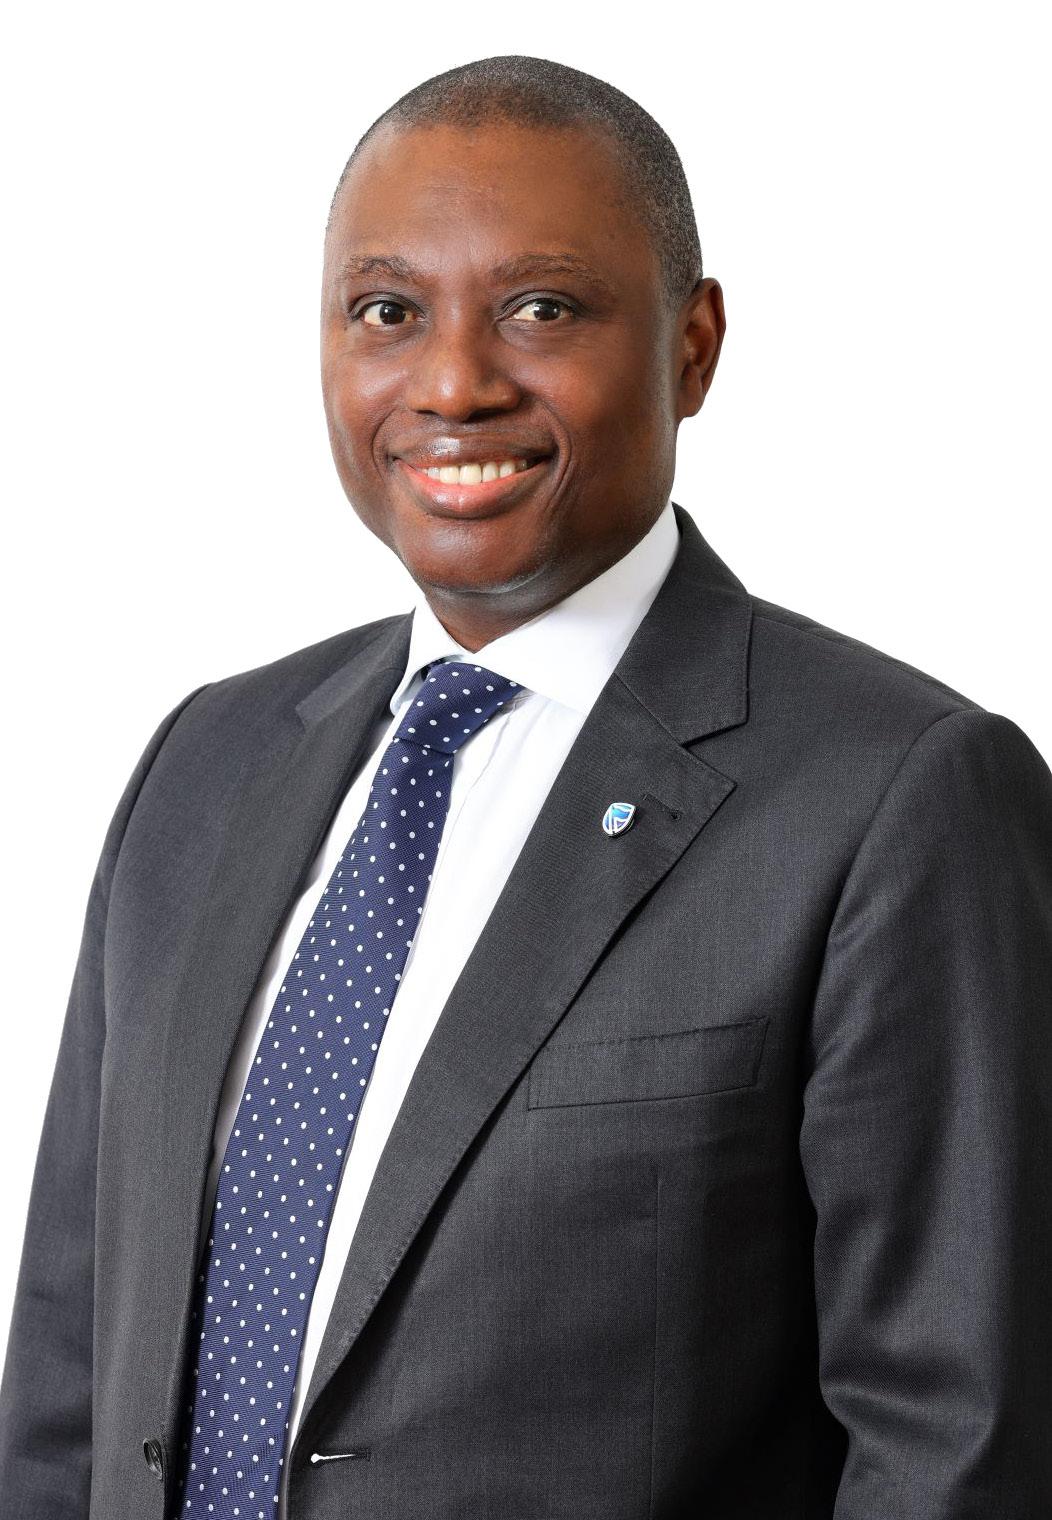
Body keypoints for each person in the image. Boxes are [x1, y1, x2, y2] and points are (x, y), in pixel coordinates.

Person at [1, 53, 1050, 1520]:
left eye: (542, 309)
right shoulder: (206, 761)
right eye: (387, 312)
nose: (452, 384)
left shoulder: (899, 797)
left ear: (693, 349)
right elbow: (68, 1377)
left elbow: (960, 1444)